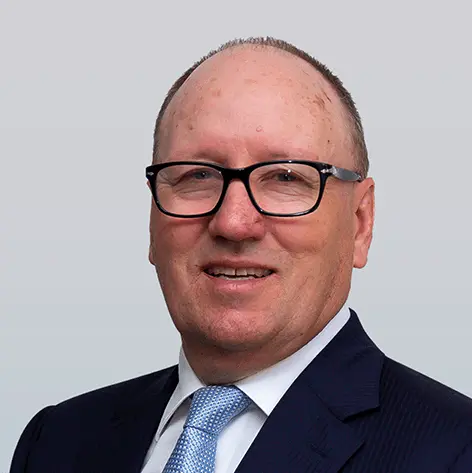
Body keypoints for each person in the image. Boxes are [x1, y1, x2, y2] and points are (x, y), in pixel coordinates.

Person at [10, 37, 472, 473]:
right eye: (196, 176)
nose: (233, 222)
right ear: (152, 220)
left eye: (286, 178)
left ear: (359, 223)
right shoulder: (57, 442)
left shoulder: (455, 450)